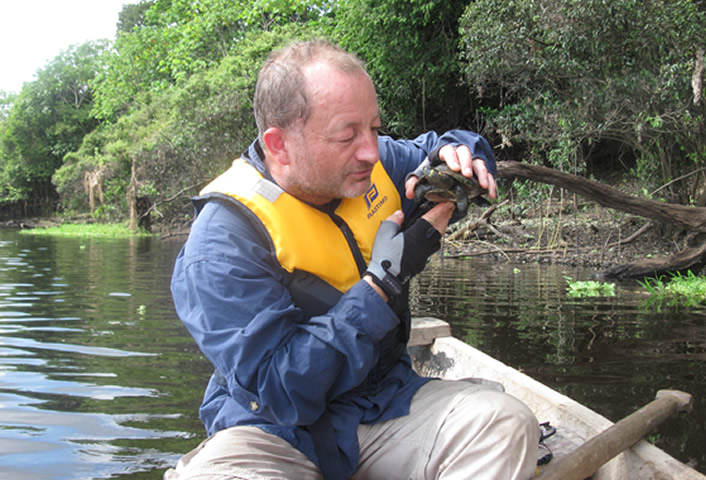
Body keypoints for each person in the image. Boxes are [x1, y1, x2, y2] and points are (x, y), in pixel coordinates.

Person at [166, 38, 539, 480]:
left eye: (375, 129)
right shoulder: (220, 244)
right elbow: (284, 391)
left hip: (384, 403)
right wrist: (384, 283)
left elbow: (443, 144)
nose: (371, 150)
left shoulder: (376, 165)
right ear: (279, 145)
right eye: (347, 135)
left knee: (505, 424)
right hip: (274, 434)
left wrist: (463, 153)